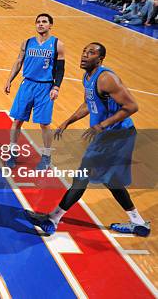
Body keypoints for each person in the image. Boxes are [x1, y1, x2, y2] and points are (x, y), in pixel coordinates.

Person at [24, 43, 150, 237]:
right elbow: (88, 103)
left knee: (82, 176)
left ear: (100, 59)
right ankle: (138, 223)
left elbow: (132, 106)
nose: (84, 55)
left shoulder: (107, 78)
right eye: (84, 51)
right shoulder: (88, 77)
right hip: (109, 135)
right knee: (111, 179)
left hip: (117, 135)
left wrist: (101, 125)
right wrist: (69, 120)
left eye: (91, 53)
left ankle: (52, 219)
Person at [4, 14, 65, 169]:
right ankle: (12, 152)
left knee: (44, 123)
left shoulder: (57, 44)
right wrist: (9, 80)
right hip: (27, 85)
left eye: (44, 22)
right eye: (38, 22)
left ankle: (46, 156)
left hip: (45, 87)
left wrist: (56, 87)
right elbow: (18, 62)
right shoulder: (27, 43)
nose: (40, 24)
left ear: (51, 25)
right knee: (17, 120)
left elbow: (60, 69)